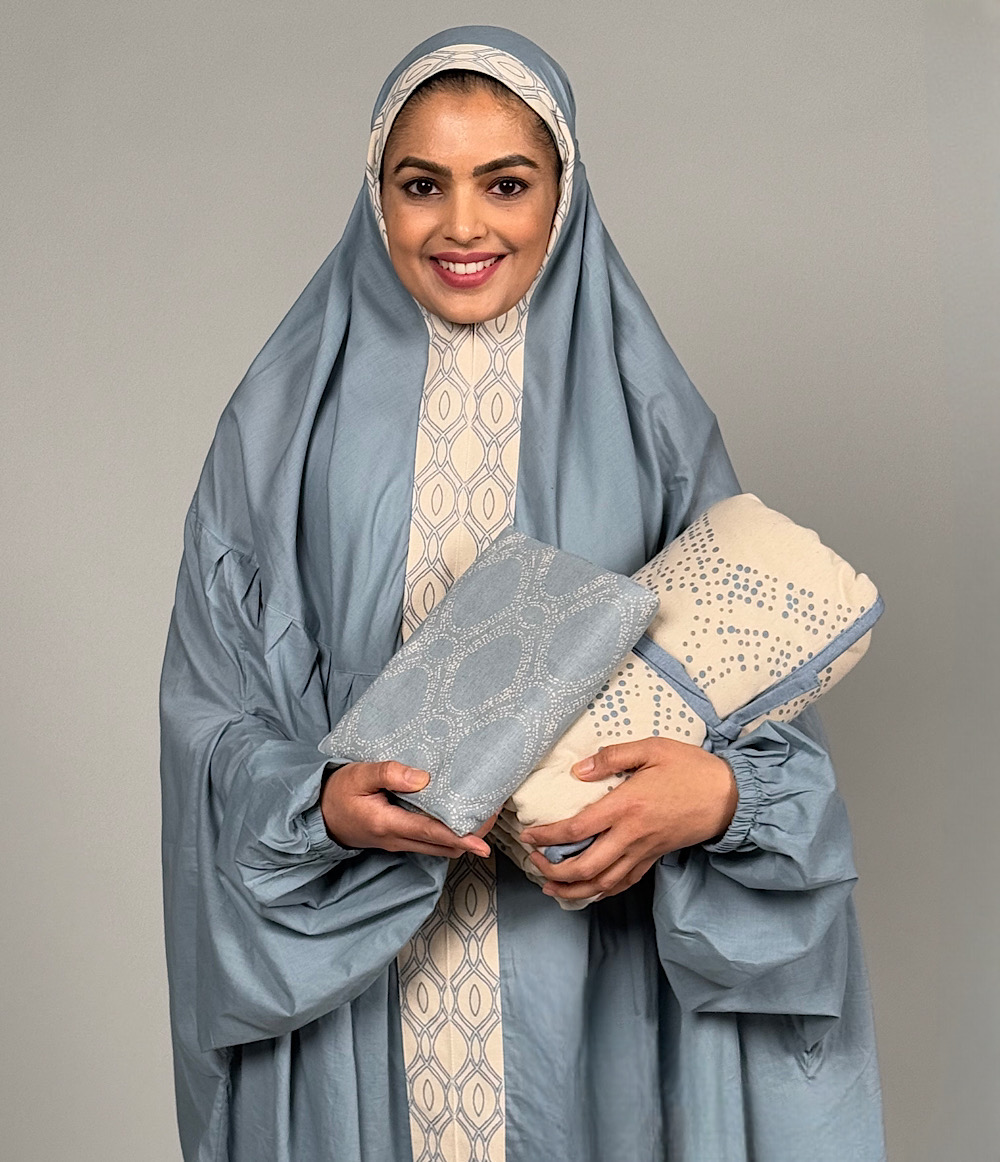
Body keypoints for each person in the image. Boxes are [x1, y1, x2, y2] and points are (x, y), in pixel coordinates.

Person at [159, 25, 886, 1162]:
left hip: (592, 986)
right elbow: (211, 713)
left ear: (564, 191)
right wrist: (319, 804)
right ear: (376, 195)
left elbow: (753, 698)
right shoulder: (278, 429)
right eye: (422, 185)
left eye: (505, 183)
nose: (463, 225)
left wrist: (715, 799)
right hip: (357, 987)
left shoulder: (650, 421)